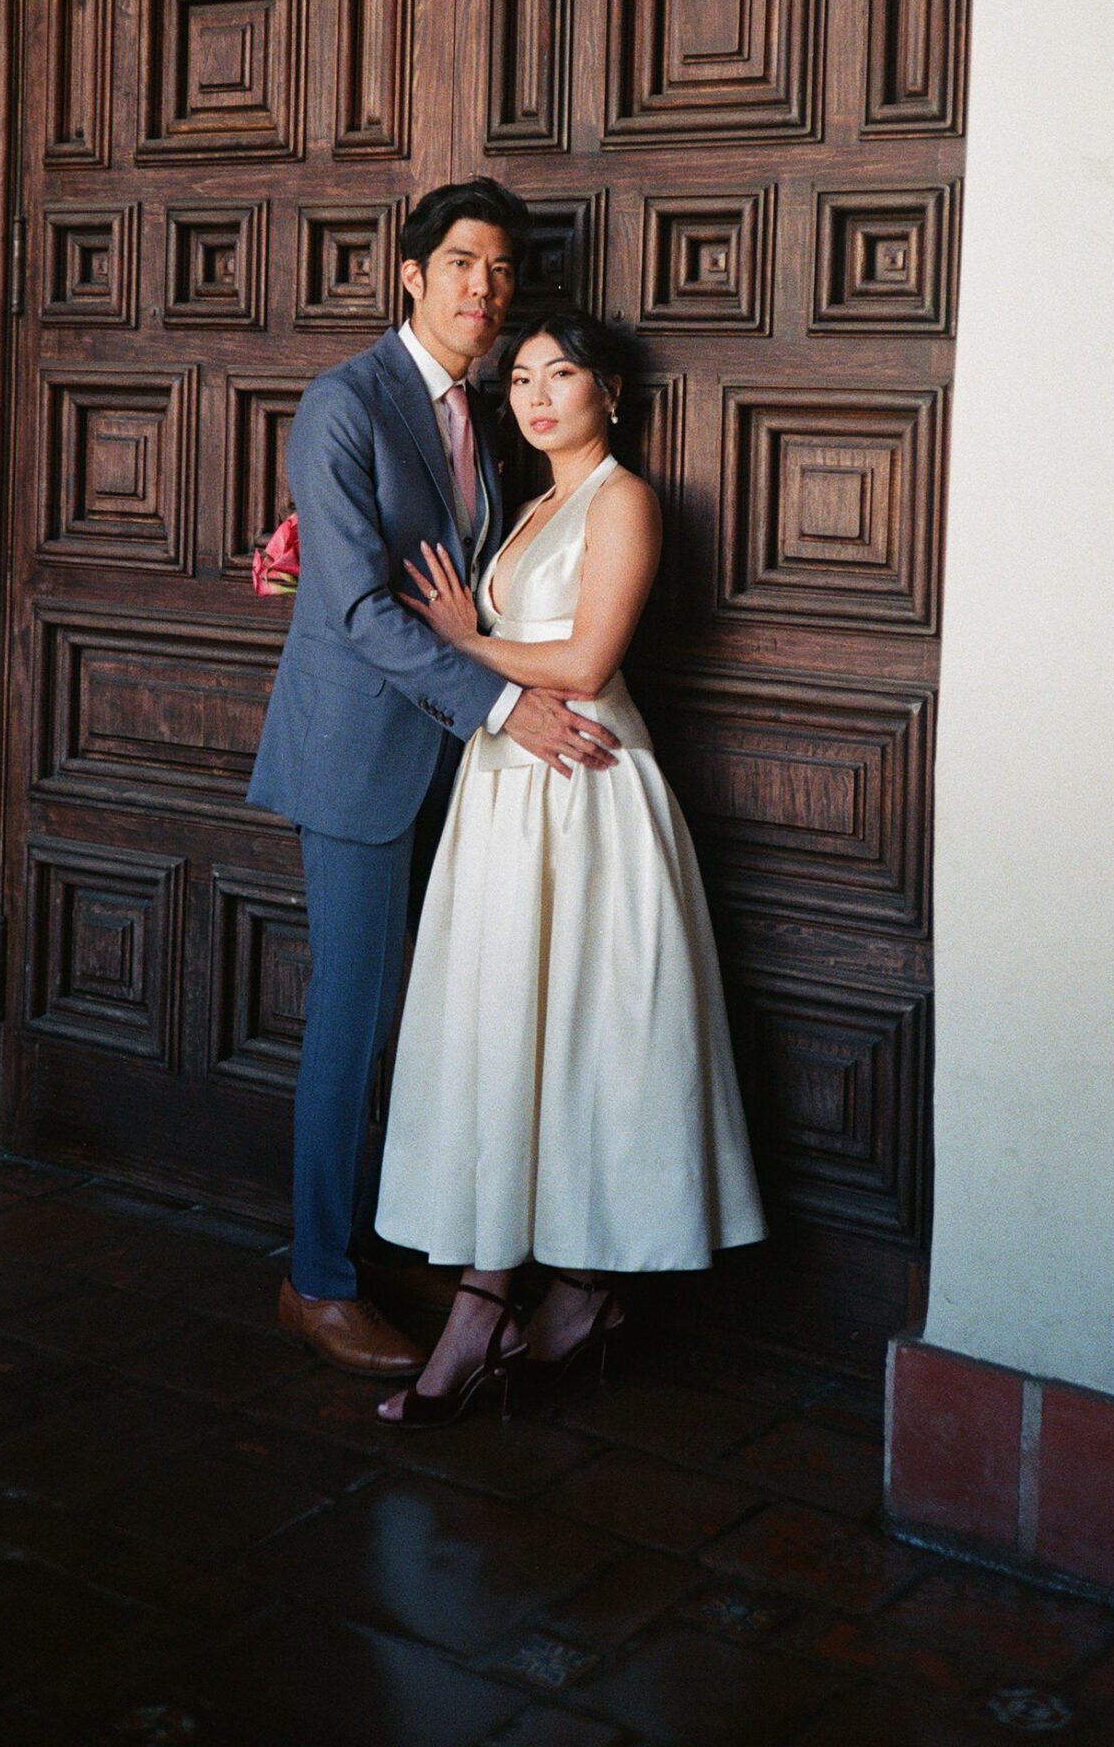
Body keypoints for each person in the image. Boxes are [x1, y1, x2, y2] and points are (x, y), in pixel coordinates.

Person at [247, 183, 623, 1378]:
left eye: (500, 270)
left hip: (458, 765)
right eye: (461, 262)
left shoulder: (491, 413)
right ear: (410, 273)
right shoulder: (344, 400)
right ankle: (316, 1280)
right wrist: (508, 704)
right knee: (351, 1020)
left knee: (434, 1020)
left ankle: (388, 1239)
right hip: (361, 756)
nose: (482, 288)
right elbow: (359, 607)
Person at [373, 304, 766, 1425]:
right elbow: (525, 651)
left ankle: (554, 1296)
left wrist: (460, 641)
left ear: (610, 393)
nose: (537, 397)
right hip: (507, 790)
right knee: (508, 1028)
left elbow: (588, 660)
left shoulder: (623, 498)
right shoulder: (528, 506)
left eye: (561, 375)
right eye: (521, 380)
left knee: (587, 1030)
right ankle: (520, 1298)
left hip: (587, 790)